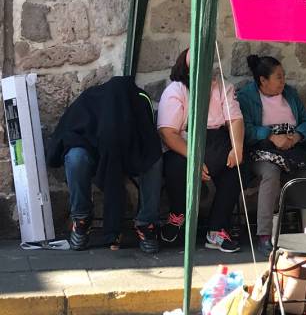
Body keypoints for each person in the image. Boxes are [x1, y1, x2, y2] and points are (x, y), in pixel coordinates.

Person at [48, 76, 163, 253]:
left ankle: (146, 223)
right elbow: (71, 131)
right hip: (94, 150)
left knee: (154, 160)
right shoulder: (89, 100)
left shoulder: (139, 100)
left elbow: (147, 138)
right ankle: (81, 218)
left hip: (129, 151)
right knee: (75, 157)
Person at [237, 55, 306, 256]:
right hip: (262, 153)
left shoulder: (289, 93)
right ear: (263, 80)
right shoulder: (246, 97)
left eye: (283, 76)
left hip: (293, 152)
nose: (283, 81)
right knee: (271, 173)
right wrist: (271, 136)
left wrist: (297, 136)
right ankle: (264, 235)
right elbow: (245, 129)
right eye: (278, 77)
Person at [158, 49, 245, 253]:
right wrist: (195, 159)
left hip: (216, 141)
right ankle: (177, 216)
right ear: (188, 71)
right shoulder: (176, 91)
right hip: (185, 144)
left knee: (237, 168)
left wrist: (237, 148)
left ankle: (217, 229)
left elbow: (234, 119)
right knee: (176, 167)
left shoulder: (222, 87)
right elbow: (167, 132)